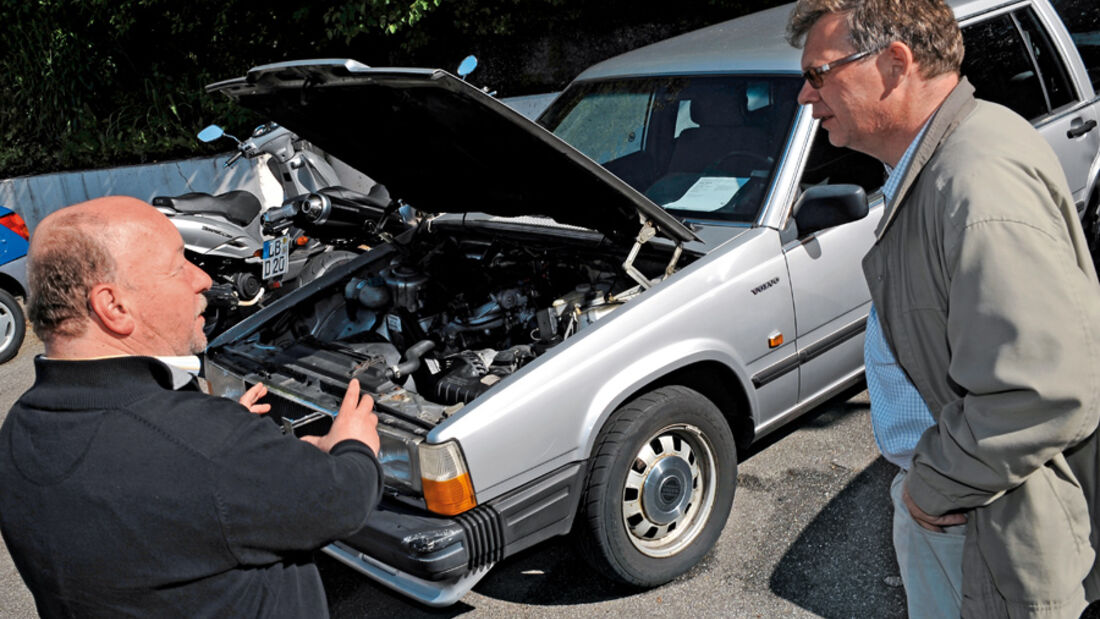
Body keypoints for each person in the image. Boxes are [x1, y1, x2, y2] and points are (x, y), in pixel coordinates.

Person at [787, 1, 1100, 617]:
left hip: (984, 518)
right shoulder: (948, 158)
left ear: (894, 63)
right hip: (970, 504)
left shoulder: (973, 182)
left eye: (819, 74)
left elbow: (1042, 390)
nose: (805, 95)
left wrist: (932, 487)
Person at [0, 196, 384, 617]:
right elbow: (342, 500)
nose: (201, 279)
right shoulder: (207, 445)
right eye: (178, 265)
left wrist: (214, 432)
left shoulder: (19, 430)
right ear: (114, 307)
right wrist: (353, 446)